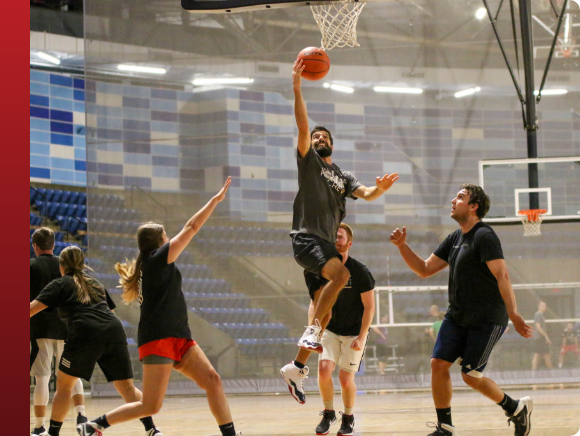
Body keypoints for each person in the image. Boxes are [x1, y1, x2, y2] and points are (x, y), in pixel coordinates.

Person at [77, 178, 242, 436]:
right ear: (159, 241)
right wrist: (214, 201)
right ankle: (95, 425)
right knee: (151, 405)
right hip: (159, 339)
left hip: (180, 337)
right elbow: (192, 226)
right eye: (165, 235)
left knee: (213, 381)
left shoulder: (151, 263)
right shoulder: (156, 260)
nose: (169, 238)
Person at [280, 58, 399, 404]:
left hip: (324, 245)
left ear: (332, 143)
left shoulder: (343, 176)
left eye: (324, 136)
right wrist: (297, 88)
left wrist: (381, 190)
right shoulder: (309, 161)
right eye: (315, 136)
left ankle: (296, 366)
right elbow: (302, 128)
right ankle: (312, 333)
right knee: (342, 275)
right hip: (307, 236)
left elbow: (367, 194)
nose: (318, 138)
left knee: (326, 305)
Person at [390, 184, 533, 436]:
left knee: (470, 376)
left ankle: (515, 408)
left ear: (474, 206)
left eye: (460, 197)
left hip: (487, 320)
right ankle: (445, 427)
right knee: (438, 364)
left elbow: (503, 276)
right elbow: (424, 269)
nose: (453, 201)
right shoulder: (455, 238)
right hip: (456, 317)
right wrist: (403, 246)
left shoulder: (484, 236)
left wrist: (513, 314)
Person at [30, 245, 161, 436]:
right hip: (114, 330)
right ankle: (152, 430)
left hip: (85, 331)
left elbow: (31, 310)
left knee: (64, 386)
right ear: (82, 264)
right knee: (126, 387)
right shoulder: (95, 283)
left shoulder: (60, 283)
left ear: (62, 265)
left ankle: (52, 433)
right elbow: (110, 312)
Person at [308, 223, 375, 436]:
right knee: (324, 370)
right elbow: (314, 303)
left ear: (349, 243)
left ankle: (348, 417)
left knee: (346, 380)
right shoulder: (323, 270)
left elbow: (369, 306)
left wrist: (362, 336)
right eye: (333, 237)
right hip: (330, 330)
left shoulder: (360, 271)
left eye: (340, 237)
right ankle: (328, 413)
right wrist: (313, 332)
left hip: (354, 332)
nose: (336, 241)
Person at [30, 228, 87, 435]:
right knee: (70, 376)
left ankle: (38, 427)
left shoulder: (30, 266)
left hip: (39, 329)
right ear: (53, 245)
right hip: (66, 328)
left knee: (42, 378)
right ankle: (82, 416)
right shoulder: (64, 266)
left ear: (35, 246)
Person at [531, 301, 553, 371]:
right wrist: (545, 336)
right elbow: (538, 327)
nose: (544, 307)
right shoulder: (538, 315)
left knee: (544, 354)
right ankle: (551, 372)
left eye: (545, 305)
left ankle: (550, 371)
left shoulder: (541, 315)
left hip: (541, 337)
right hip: (539, 337)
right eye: (542, 305)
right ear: (539, 306)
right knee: (540, 354)